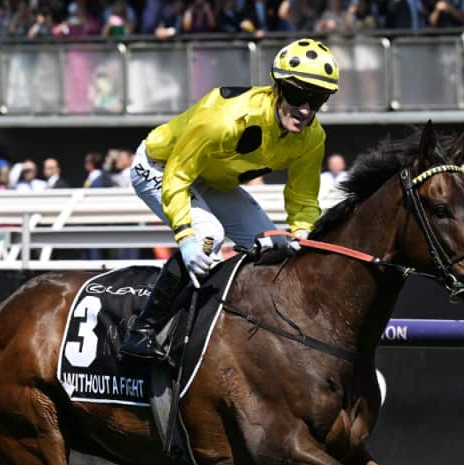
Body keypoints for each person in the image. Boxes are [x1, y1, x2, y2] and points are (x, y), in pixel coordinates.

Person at [119, 38, 336, 361]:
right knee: (208, 236)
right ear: (277, 87)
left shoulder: (313, 137)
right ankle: (142, 330)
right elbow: (178, 177)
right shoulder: (223, 119)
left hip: (212, 177)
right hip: (162, 166)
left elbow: (303, 194)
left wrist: (303, 231)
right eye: (298, 94)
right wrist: (186, 237)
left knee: (276, 247)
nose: (305, 110)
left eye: (317, 99)